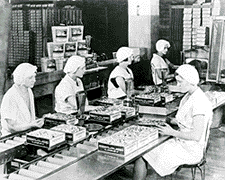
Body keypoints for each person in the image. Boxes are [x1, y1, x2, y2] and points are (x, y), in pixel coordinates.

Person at [133, 64, 213, 180]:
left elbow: (196, 135)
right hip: (183, 143)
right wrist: (167, 120)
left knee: (141, 154)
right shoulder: (190, 96)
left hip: (191, 150)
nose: (177, 85)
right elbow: (185, 122)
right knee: (146, 150)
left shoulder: (199, 102)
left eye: (180, 82)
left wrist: (171, 132)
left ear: (190, 80)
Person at [0, 63, 44, 136]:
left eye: (34, 77)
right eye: (30, 78)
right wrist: (31, 125)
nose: (34, 80)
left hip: (27, 133)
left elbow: (26, 117)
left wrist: (37, 120)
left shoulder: (29, 91)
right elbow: (11, 127)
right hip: (12, 137)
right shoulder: (10, 96)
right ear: (21, 79)